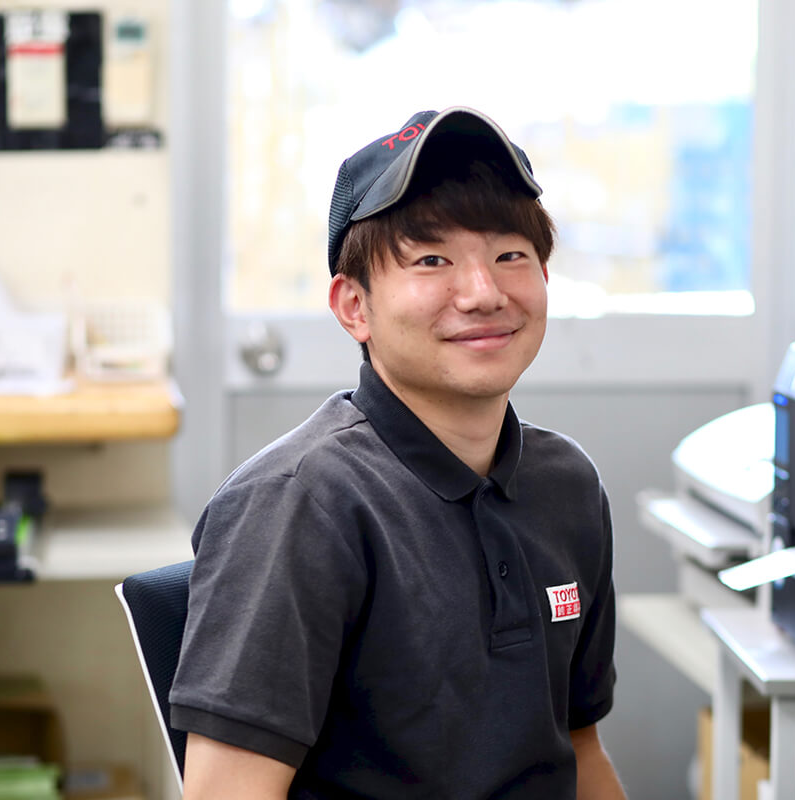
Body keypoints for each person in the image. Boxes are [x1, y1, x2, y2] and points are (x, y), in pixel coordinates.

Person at [169, 106, 625, 799]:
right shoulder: (301, 504)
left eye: (509, 255)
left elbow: (579, 746)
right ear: (354, 307)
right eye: (432, 260)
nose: (483, 293)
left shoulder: (567, 486)